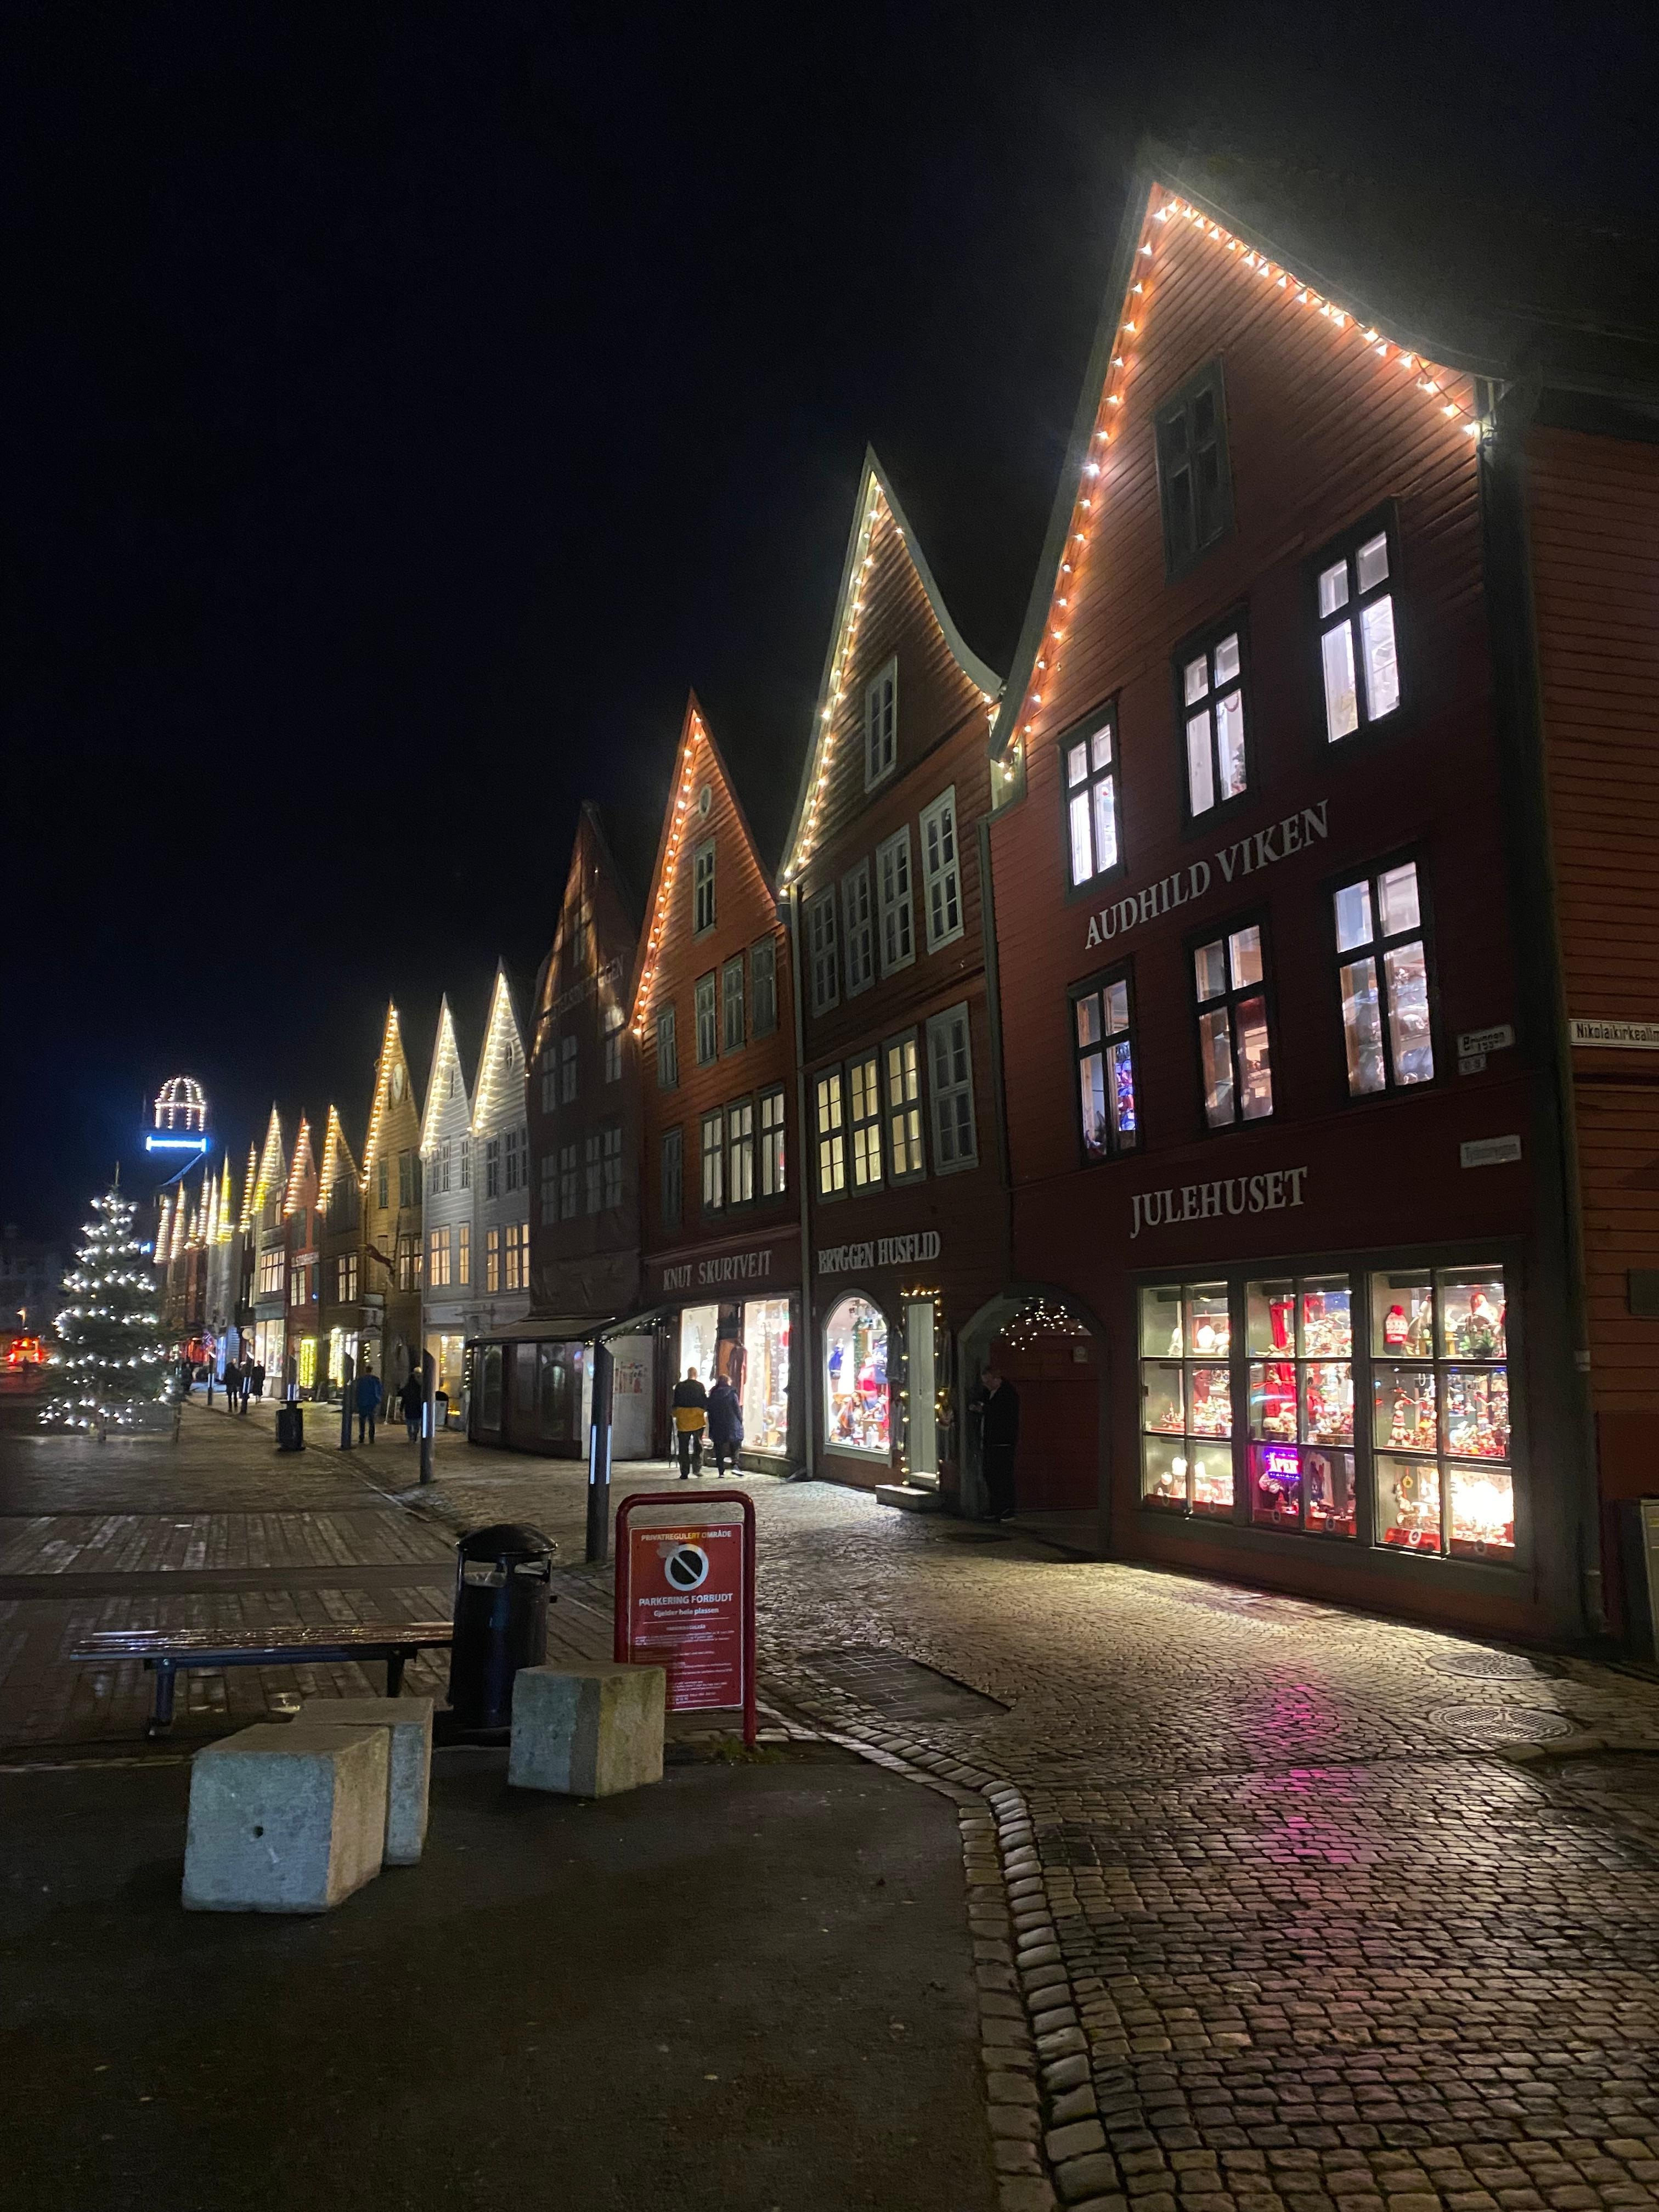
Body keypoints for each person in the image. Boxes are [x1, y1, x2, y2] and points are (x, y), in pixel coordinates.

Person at [978, 1367, 1022, 1521]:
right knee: (990, 1475)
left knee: (1004, 1476)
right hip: (990, 1441)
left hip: (1003, 1442)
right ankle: (996, 1507)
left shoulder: (1008, 1394)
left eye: (988, 1382)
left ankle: (1008, 1509)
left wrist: (984, 1409)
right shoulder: (988, 1393)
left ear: (997, 1379)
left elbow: (1002, 1414)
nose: (986, 1385)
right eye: (985, 1383)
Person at [672, 1365, 708, 1479]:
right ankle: (697, 1469)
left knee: (683, 1447)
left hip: (683, 1420)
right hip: (697, 1420)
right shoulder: (700, 1386)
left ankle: (684, 1472)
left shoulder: (680, 1386)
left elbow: (675, 1402)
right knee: (698, 1445)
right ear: (696, 1375)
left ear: (688, 1375)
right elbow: (704, 1402)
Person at [706, 1370, 743, 1479]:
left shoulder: (713, 1394)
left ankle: (721, 1471)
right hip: (732, 1423)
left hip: (717, 1424)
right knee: (735, 1444)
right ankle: (735, 1465)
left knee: (719, 1448)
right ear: (727, 1382)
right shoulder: (732, 1393)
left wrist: (711, 1424)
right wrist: (740, 1420)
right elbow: (737, 1409)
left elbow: (710, 1409)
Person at [355, 1362, 383, 1444]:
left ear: (365, 1370)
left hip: (363, 1403)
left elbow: (358, 1392)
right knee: (372, 1421)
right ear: (371, 1371)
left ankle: (362, 1437)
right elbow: (379, 1391)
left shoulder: (361, 1380)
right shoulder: (375, 1380)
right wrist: (378, 1401)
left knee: (362, 1421)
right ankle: (372, 1438)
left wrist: (357, 1402)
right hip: (372, 1403)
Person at [399, 1367, 424, 1444]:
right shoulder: (420, 1388)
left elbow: (403, 1400)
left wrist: (401, 1410)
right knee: (417, 1425)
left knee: (409, 1425)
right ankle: (415, 1436)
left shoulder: (406, 1389)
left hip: (409, 1409)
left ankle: (411, 1437)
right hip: (417, 1409)